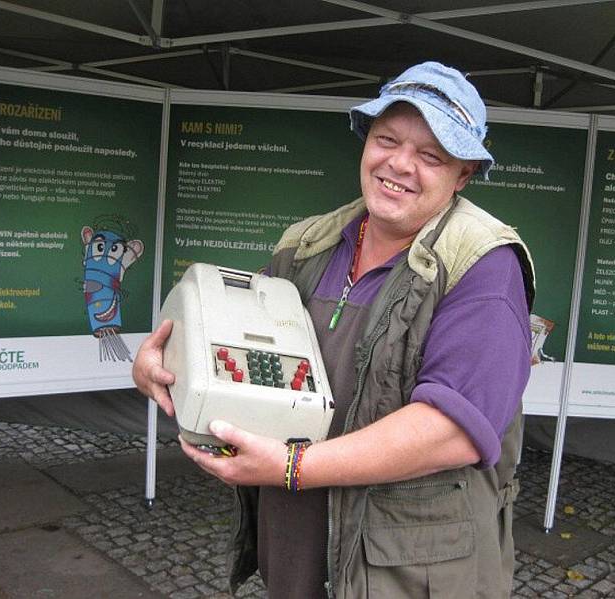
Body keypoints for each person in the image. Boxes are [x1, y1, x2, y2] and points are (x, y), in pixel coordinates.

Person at [133, 61, 535, 599]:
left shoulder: (483, 266)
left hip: (409, 570)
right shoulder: (307, 245)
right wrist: (165, 364)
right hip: (297, 547)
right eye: (387, 139)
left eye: (430, 155)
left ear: (462, 175)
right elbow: (234, 358)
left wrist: (293, 466)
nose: (399, 164)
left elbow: (454, 430)